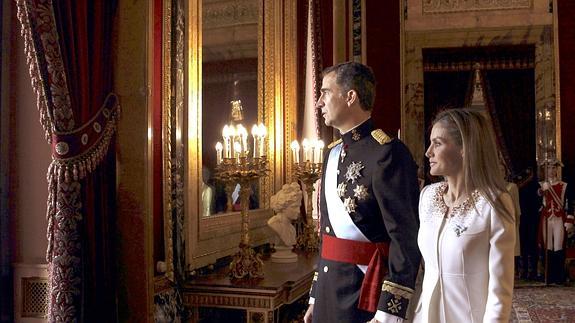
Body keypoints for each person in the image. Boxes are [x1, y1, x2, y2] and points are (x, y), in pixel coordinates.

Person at [304, 62, 421, 323]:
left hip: (365, 295)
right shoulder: (332, 153)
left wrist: (389, 311)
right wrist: (315, 296)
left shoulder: (388, 153)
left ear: (350, 97)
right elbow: (327, 234)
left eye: (325, 92)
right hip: (328, 293)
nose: (319, 102)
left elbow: (405, 238)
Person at [413, 108, 515, 323]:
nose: (428, 152)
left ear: (464, 149)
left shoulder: (493, 202)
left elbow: (500, 290)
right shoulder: (427, 196)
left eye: (438, 143)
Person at [537, 158, 574, 284]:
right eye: (548, 168)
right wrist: (541, 192)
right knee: (548, 246)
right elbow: (537, 203)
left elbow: (570, 203)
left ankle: (559, 277)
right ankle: (549, 276)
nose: (551, 171)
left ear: (557, 170)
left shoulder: (564, 185)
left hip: (559, 218)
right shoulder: (542, 185)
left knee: (558, 246)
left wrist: (569, 219)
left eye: (553, 168)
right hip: (546, 218)